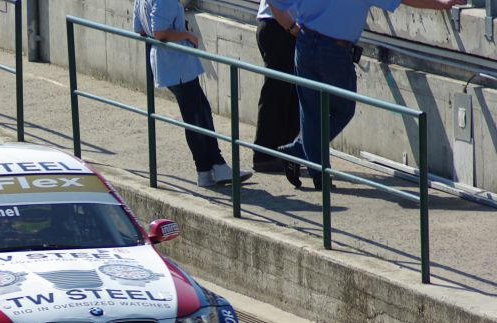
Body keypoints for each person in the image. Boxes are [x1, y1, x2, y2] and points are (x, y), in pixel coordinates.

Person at [270, 0, 462, 189]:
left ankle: (306, 158)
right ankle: (310, 164)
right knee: (342, 110)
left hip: (306, 43)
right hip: (334, 50)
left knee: (312, 113)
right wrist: (440, 3)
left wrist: (291, 28)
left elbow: (274, 3)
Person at [133, 0, 253, 187]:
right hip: (177, 64)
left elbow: (139, 29)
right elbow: (159, 32)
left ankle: (212, 167)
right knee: (197, 117)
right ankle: (210, 168)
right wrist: (187, 35)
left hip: (165, 64)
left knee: (199, 113)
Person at [252, 0, 300, 173]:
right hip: (279, 25)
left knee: (291, 94)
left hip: (284, 26)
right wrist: (291, 26)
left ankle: (284, 152)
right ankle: (265, 155)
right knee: (277, 93)